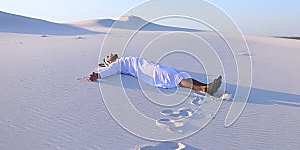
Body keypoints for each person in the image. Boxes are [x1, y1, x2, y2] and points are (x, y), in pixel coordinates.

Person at [88, 53, 222, 95]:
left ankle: (206, 86)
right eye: (108, 56)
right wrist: (98, 75)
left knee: (181, 75)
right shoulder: (116, 64)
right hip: (150, 72)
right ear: (108, 62)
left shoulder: (122, 61)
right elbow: (108, 71)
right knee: (176, 78)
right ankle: (204, 89)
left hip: (153, 67)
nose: (110, 54)